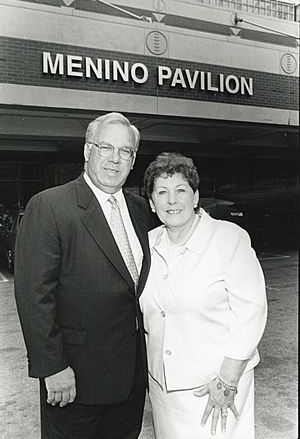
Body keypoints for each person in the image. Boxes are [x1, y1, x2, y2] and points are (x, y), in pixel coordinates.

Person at [14, 112, 153, 439]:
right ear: (87, 151)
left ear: (133, 161)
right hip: (75, 381)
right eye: (106, 147)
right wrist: (53, 368)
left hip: (131, 380)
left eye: (125, 151)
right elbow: (34, 296)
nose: (115, 159)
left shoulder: (141, 210)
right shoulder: (50, 206)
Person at [140, 152, 268, 439]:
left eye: (181, 190)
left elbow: (252, 311)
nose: (172, 200)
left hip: (214, 388)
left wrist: (227, 381)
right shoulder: (147, 245)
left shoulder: (228, 238)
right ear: (151, 202)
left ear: (196, 197)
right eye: (162, 192)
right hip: (163, 390)